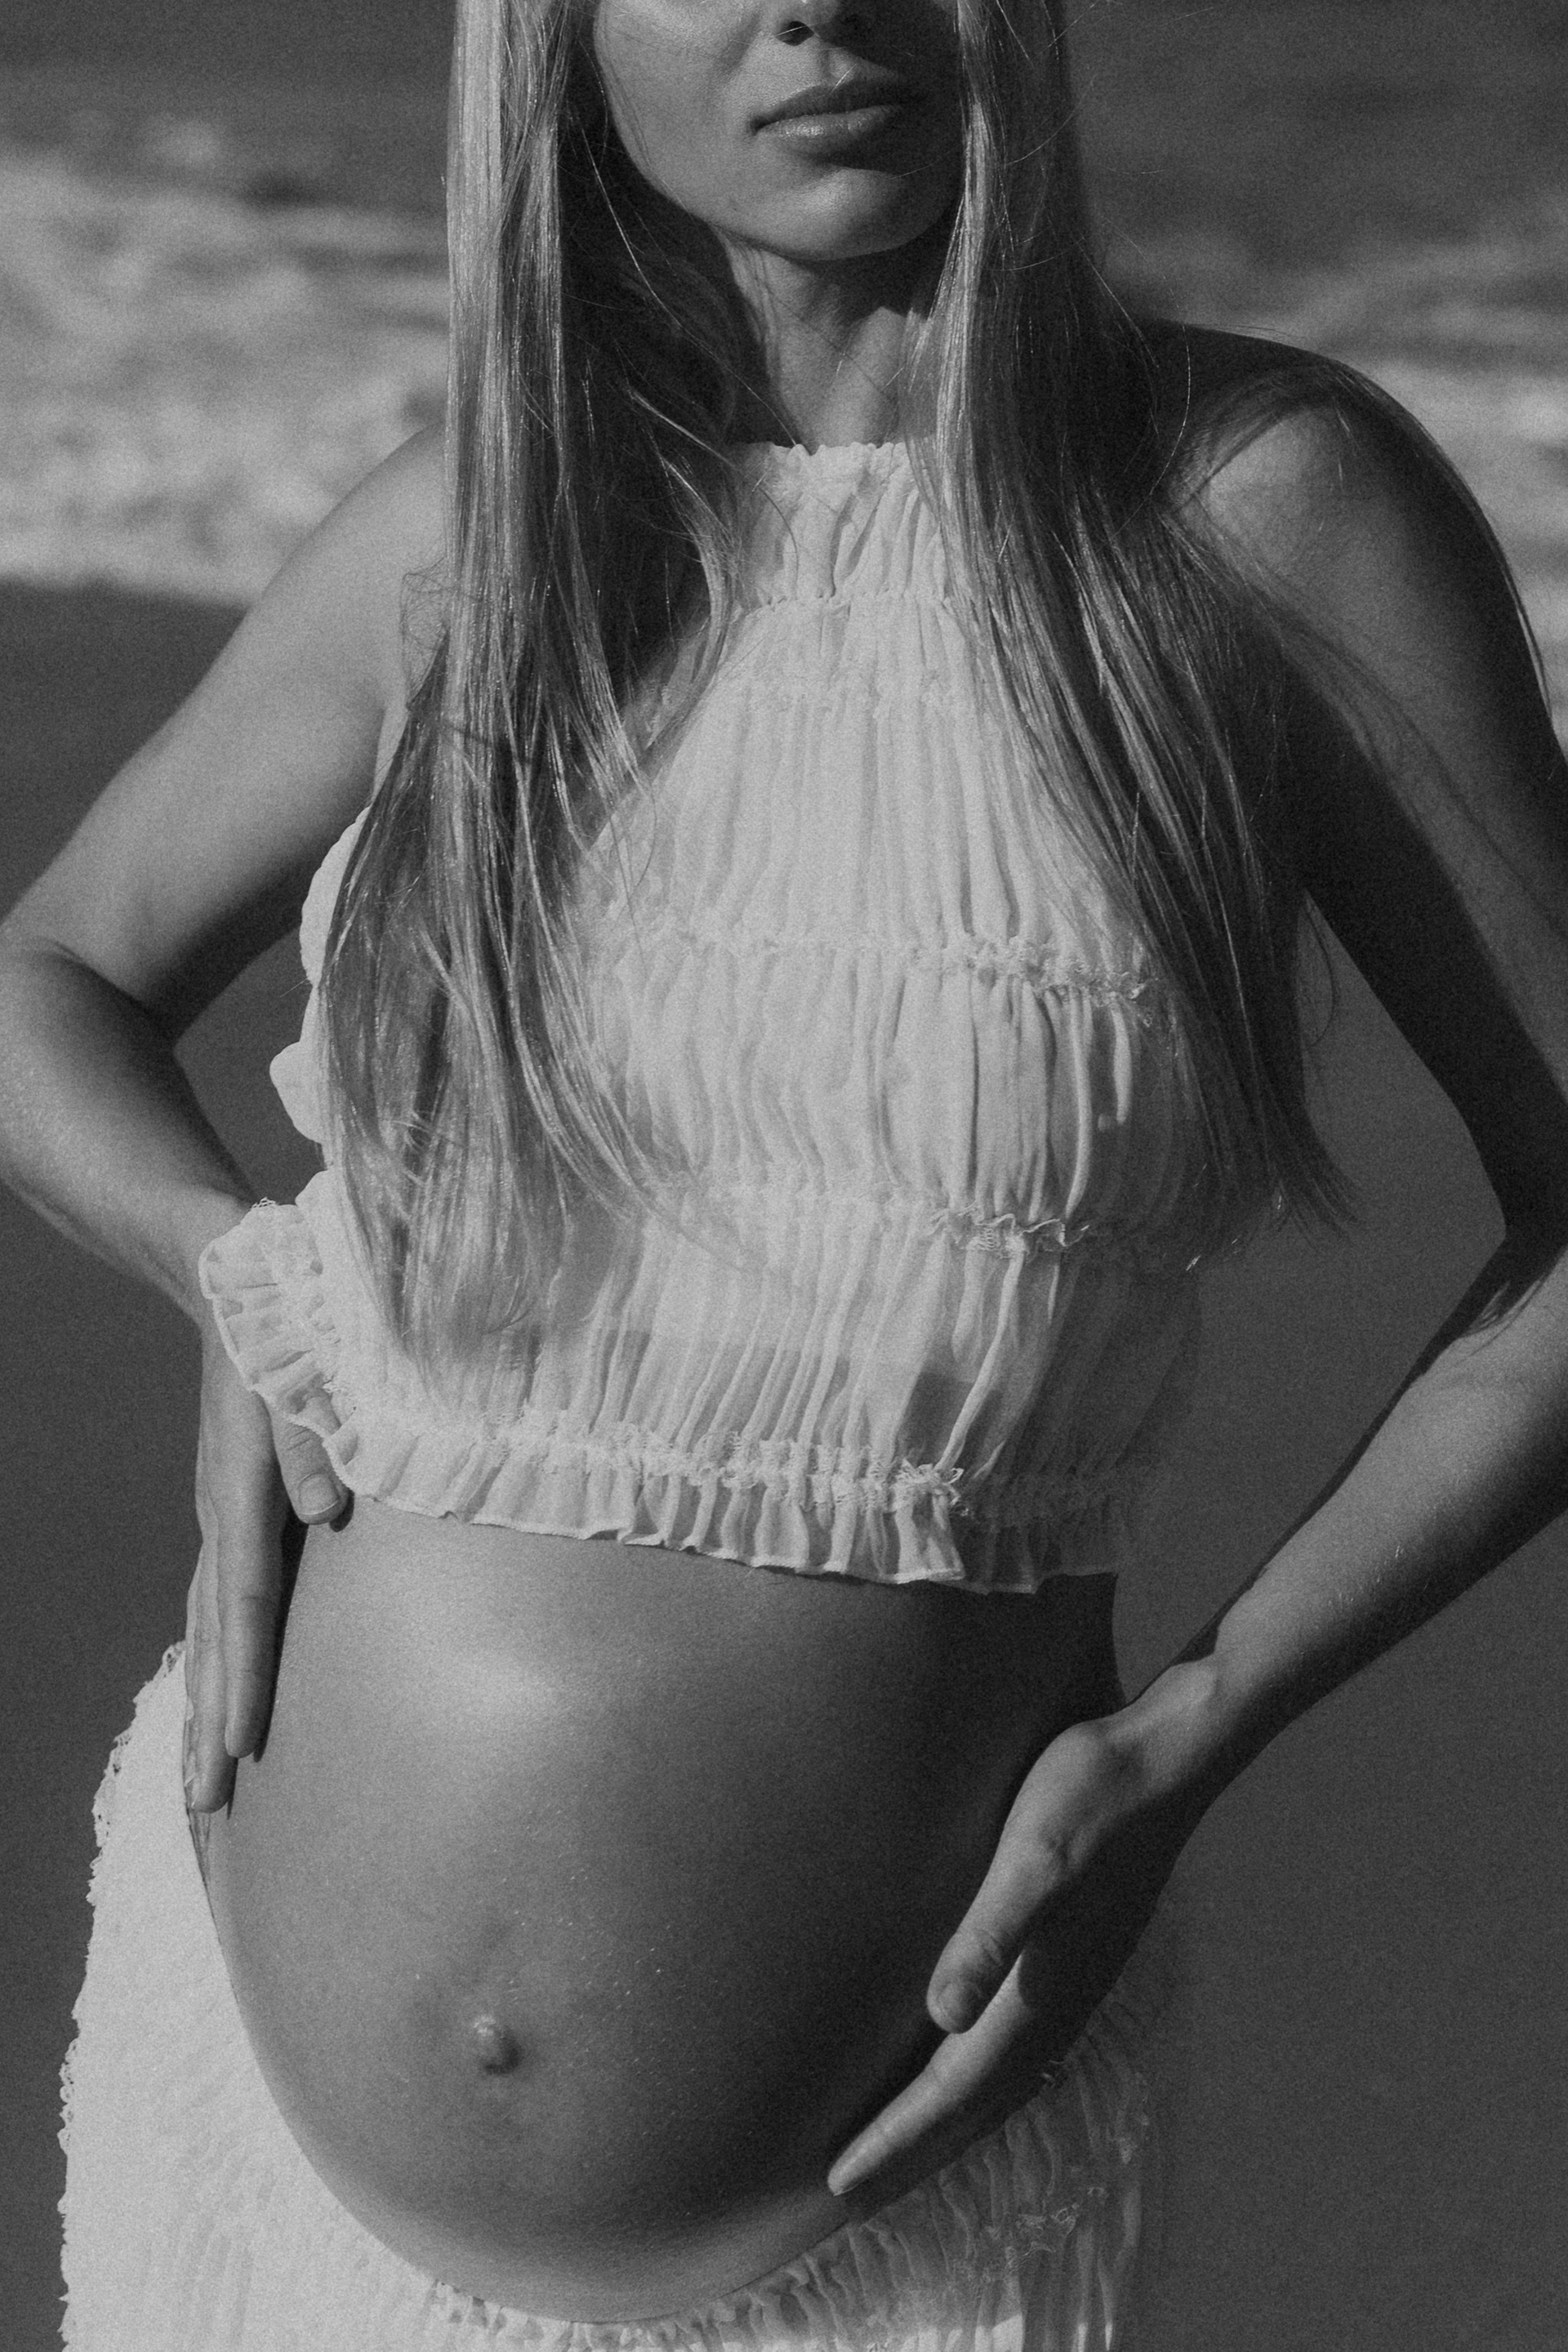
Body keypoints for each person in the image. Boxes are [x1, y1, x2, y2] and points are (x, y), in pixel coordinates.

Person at [3, 0, 1566, 2345]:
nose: (818, 1)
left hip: (888, 2222)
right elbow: (49, 979)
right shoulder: (486, 533)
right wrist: (239, 1272)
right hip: (245, 2159)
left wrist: (1198, 1730)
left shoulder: (1255, 511)